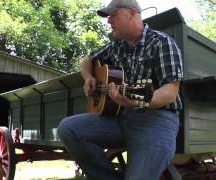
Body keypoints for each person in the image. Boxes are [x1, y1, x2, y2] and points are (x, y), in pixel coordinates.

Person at [57, 0, 183, 179]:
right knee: (67, 128)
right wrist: (89, 77)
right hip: (122, 119)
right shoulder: (116, 46)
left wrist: (133, 98)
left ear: (132, 14)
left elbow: (170, 92)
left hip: (157, 121)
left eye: (113, 15)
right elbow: (86, 60)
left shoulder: (162, 43)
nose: (109, 21)